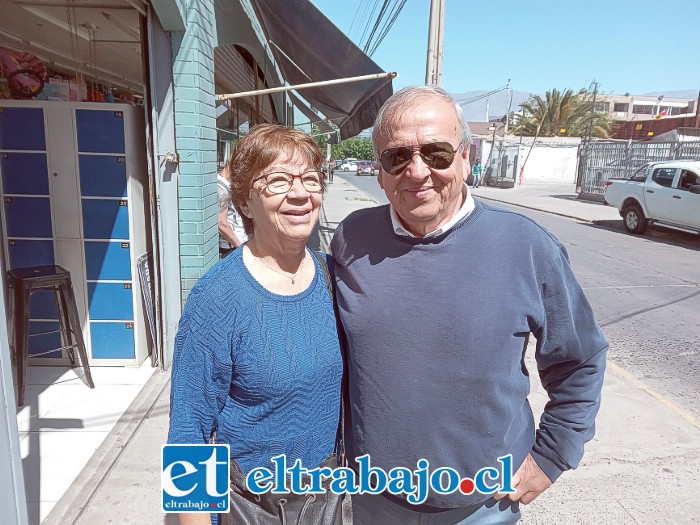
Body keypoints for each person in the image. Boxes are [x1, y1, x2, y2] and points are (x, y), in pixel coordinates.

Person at [330, 86, 608, 524]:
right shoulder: (351, 238)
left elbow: (581, 359)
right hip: (373, 500)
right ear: (379, 171)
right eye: (396, 157)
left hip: (485, 506)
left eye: (436, 153)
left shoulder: (526, 245)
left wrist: (551, 457)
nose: (417, 171)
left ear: (465, 157)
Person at [169, 124, 343, 525]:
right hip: (254, 506)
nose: (299, 194)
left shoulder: (333, 276)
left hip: (325, 499)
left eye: (310, 180)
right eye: (278, 180)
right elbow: (189, 429)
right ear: (245, 203)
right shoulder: (218, 297)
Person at [217, 164, 247, 258]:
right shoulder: (222, 189)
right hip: (231, 247)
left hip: (237, 245)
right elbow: (221, 223)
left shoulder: (226, 185)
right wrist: (239, 246)